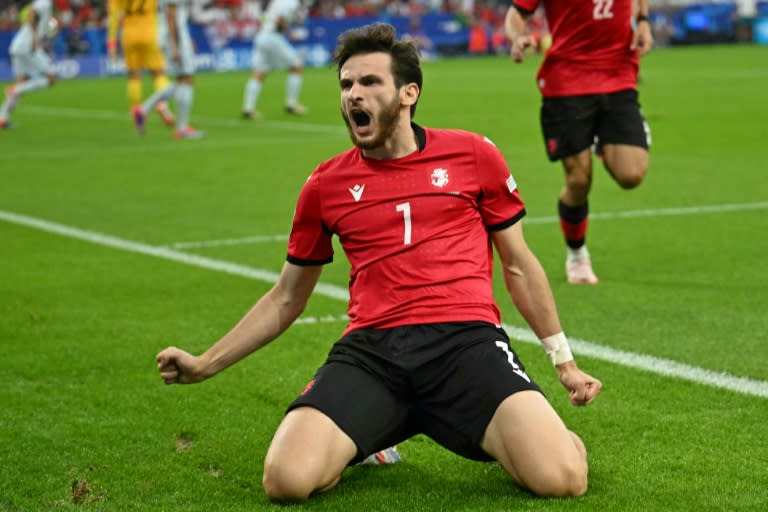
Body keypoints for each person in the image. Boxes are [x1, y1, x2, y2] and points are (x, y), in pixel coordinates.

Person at [157, 22, 602, 503]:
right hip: (373, 355)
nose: (353, 95)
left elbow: (518, 265)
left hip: (464, 345)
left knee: (562, 478)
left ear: (408, 93)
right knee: (286, 482)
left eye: (369, 83)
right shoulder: (324, 184)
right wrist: (206, 364)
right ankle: (372, 436)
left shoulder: (474, 155)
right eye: (346, 84)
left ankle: (537, 435)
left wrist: (564, 363)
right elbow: (286, 297)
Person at [505, 0, 654, 284]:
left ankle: (601, 140)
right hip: (567, 83)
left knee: (631, 174)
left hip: (618, 75)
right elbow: (516, 14)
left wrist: (643, 20)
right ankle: (577, 254)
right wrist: (518, 36)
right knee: (578, 180)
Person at [133, 0, 204, 139]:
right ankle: (182, 129)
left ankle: (143, 110)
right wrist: (175, 46)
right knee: (187, 79)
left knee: (181, 81)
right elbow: (171, 16)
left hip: (174, 36)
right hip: (173, 38)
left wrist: (186, 40)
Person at [107, 0, 175, 129]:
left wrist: (111, 43)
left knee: (134, 76)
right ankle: (161, 104)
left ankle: (136, 111)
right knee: (158, 72)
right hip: (149, 33)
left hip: (129, 35)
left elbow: (114, 17)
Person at [241, 0, 308, 119]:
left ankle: (248, 108)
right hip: (273, 37)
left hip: (262, 36)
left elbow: (264, 17)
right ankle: (291, 103)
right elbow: (280, 20)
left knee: (259, 72)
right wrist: (291, 34)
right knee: (296, 66)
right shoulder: (291, 3)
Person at [0, 0, 57, 129]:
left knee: (22, 81)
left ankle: (2, 119)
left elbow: (38, 20)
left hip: (17, 46)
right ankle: (15, 90)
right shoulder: (45, 2)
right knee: (51, 78)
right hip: (29, 47)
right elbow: (31, 14)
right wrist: (35, 37)